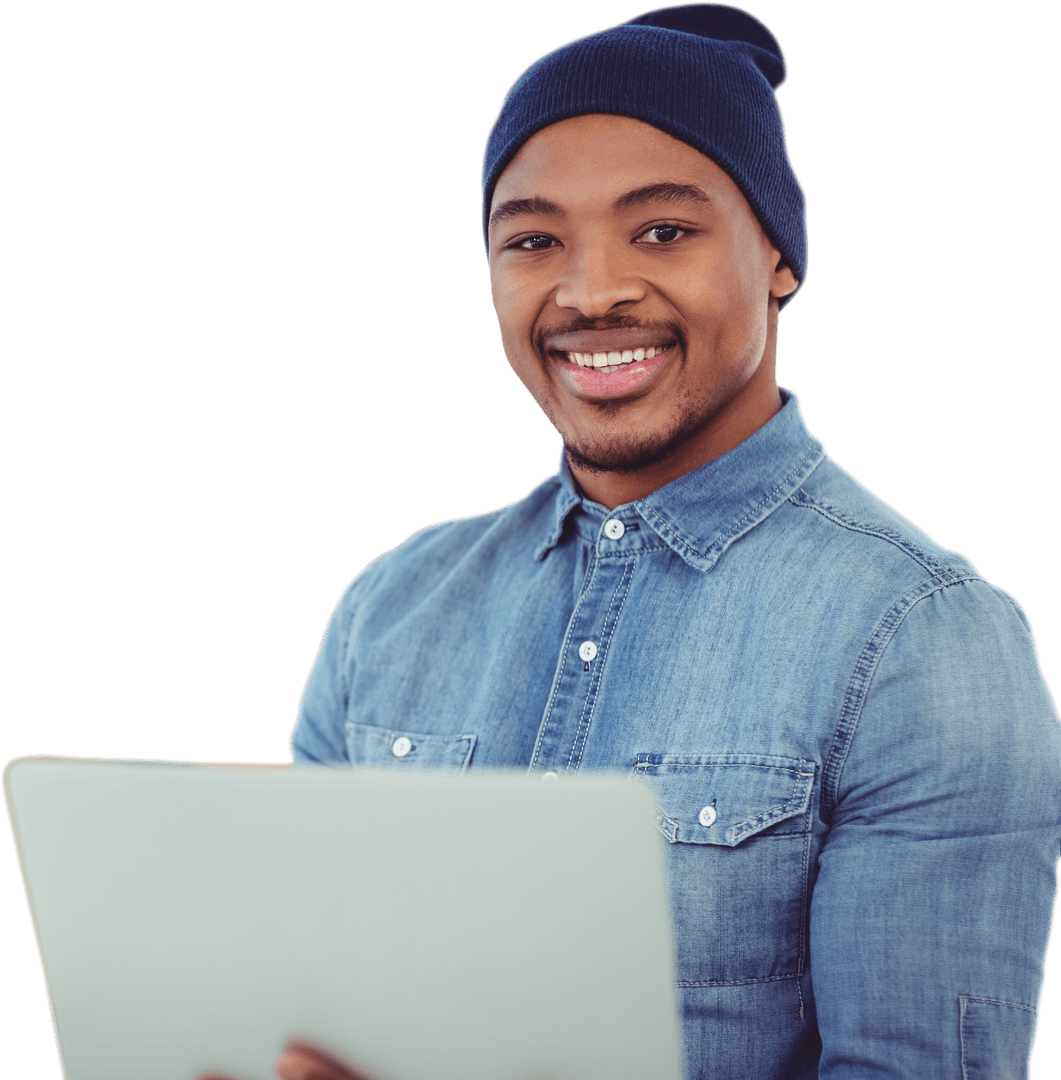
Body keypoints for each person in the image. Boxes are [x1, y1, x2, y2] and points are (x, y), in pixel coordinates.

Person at [243, 4, 1061, 1078]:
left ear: (776, 254)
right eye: (533, 240)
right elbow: (304, 1009)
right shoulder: (388, 611)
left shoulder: (922, 640)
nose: (590, 293)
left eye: (662, 231)